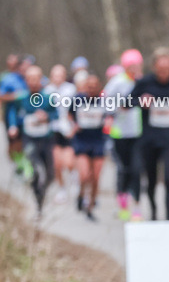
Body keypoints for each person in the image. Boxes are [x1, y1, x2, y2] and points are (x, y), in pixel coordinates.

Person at [131, 47, 169, 220]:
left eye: (167, 69)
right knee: (152, 179)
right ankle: (154, 211)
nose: (164, 73)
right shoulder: (144, 83)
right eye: (161, 69)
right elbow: (127, 102)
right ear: (154, 66)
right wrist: (141, 101)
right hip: (149, 139)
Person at [6, 65, 58, 215]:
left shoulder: (48, 98)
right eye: (30, 79)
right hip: (29, 140)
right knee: (36, 171)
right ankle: (38, 203)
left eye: (36, 79)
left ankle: (41, 196)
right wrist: (14, 125)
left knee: (49, 175)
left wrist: (47, 117)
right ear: (26, 80)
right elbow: (13, 113)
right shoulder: (21, 98)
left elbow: (56, 115)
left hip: (46, 140)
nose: (34, 82)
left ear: (41, 79)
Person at [105, 49, 144, 221]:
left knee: (136, 170)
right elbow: (105, 102)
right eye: (131, 65)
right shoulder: (116, 82)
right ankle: (122, 206)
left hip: (138, 133)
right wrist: (119, 107)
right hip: (119, 133)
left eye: (137, 65)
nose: (135, 68)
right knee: (123, 170)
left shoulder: (142, 82)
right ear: (125, 66)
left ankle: (136, 208)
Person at [68, 74, 108, 221]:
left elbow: (110, 116)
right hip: (82, 141)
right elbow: (69, 115)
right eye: (88, 86)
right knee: (84, 174)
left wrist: (108, 123)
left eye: (94, 86)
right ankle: (81, 194)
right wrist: (74, 125)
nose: (91, 89)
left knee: (96, 177)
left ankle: (90, 206)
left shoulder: (104, 101)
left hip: (98, 141)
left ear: (99, 87)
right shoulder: (78, 99)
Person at [45, 64, 77, 203]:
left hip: (68, 128)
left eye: (60, 75)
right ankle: (61, 188)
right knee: (57, 163)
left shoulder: (71, 90)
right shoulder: (46, 91)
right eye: (55, 75)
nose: (57, 78)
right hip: (53, 129)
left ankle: (74, 180)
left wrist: (74, 126)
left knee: (69, 162)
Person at [1, 55, 30, 168]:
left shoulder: (29, 78)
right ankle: (18, 165)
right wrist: (16, 96)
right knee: (13, 144)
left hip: (26, 118)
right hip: (12, 117)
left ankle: (25, 166)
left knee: (24, 144)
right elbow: (1, 96)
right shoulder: (8, 79)